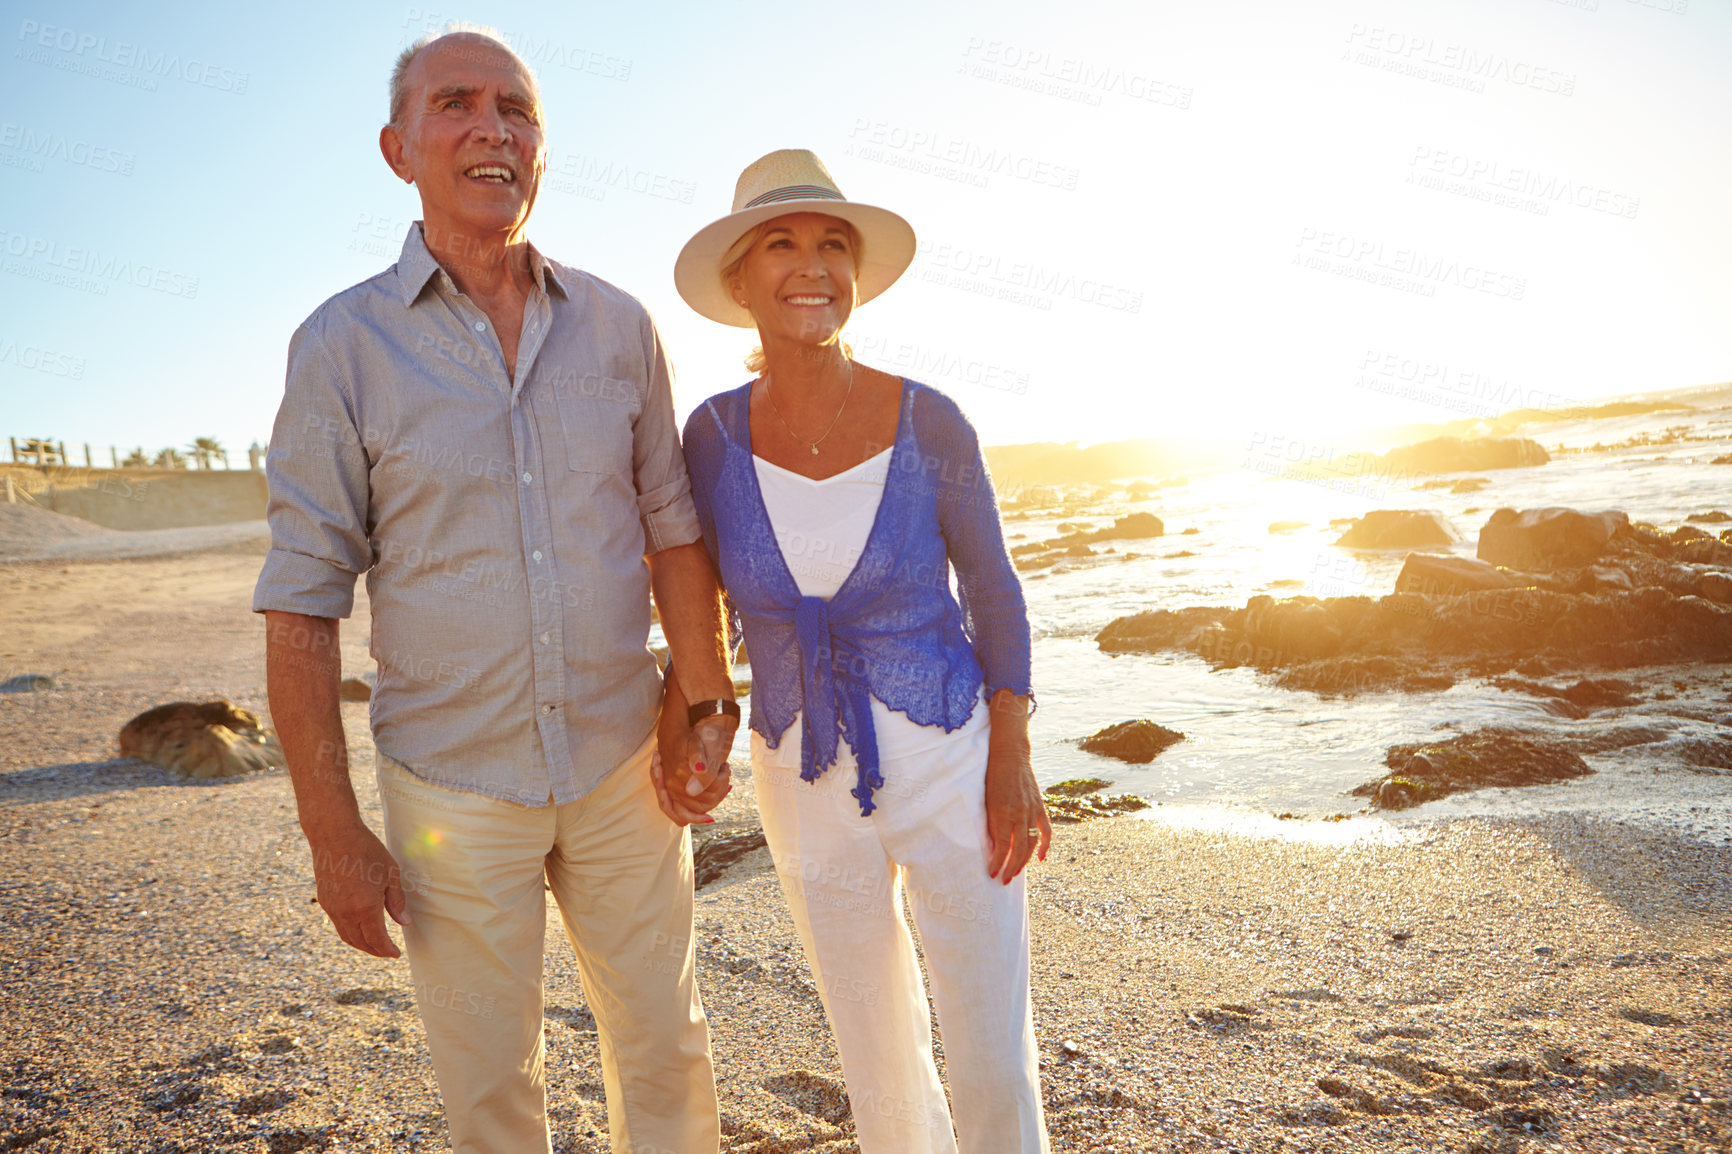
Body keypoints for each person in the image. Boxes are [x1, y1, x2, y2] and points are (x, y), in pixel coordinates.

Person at [253, 28, 735, 1154]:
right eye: (457, 104)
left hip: (626, 765)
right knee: (489, 1088)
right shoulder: (340, 346)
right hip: (450, 787)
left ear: (541, 150)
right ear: (399, 147)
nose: (491, 127)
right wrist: (334, 832)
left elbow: (671, 528)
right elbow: (301, 603)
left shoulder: (620, 326)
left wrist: (705, 701)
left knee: (667, 1042)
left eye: (515, 109)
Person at [663, 149, 1052, 1154]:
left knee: (989, 1045)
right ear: (741, 280)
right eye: (782, 244)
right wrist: (694, 717)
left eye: (833, 245)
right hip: (797, 774)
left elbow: (996, 592)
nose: (812, 266)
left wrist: (1011, 752)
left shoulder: (932, 421)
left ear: (856, 274)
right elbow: (692, 596)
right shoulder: (706, 437)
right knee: (874, 1050)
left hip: (952, 758)